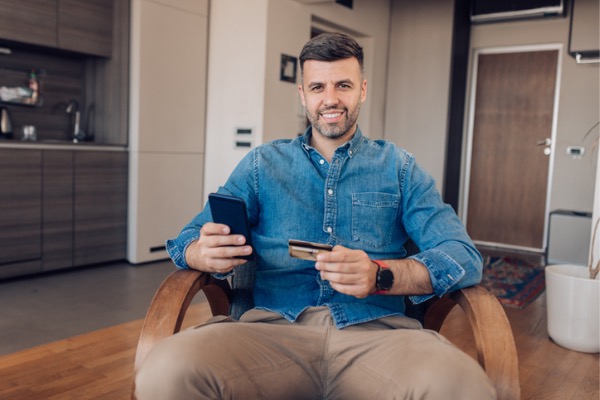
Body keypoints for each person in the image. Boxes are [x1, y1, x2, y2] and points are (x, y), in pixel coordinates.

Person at [135, 32, 496, 399]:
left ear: (362, 90)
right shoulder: (262, 165)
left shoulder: (400, 168)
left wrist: (380, 276)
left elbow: (463, 256)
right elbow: (190, 236)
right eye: (318, 86)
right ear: (303, 95)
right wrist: (199, 251)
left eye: (343, 85)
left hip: (379, 338)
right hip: (271, 333)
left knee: (462, 385)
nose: (330, 99)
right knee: (165, 371)